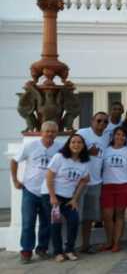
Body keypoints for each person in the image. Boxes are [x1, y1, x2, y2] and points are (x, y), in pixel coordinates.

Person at [11, 120, 61, 263]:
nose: (50, 134)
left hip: (48, 192)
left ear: (56, 133)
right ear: (41, 132)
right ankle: (26, 252)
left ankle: (42, 249)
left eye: (53, 131)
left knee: (46, 222)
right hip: (30, 190)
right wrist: (15, 180)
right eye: (47, 131)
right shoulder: (31, 146)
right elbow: (14, 161)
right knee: (28, 222)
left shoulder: (60, 148)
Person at [43, 134, 90, 262]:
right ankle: (58, 252)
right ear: (68, 144)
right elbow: (49, 176)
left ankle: (69, 250)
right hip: (52, 195)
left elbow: (85, 180)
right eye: (73, 142)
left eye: (79, 142)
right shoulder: (59, 157)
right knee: (56, 224)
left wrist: (75, 198)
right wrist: (52, 197)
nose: (76, 145)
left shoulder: (84, 162)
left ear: (83, 145)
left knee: (74, 220)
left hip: (69, 198)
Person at [76, 112, 109, 254]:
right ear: (92, 120)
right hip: (80, 182)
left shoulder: (106, 137)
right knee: (75, 216)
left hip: (96, 182)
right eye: (99, 120)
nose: (102, 123)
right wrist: (87, 152)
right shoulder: (82, 133)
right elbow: (71, 151)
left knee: (88, 217)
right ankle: (70, 246)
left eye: (105, 122)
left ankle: (85, 245)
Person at [99, 127, 127, 252]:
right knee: (107, 216)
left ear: (126, 138)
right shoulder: (105, 151)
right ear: (113, 136)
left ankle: (116, 243)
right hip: (107, 186)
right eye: (118, 134)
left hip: (124, 185)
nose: (120, 137)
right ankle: (109, 241)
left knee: (119, 215)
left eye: (123, 135)